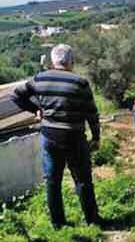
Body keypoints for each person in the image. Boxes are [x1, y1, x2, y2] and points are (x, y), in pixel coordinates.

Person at [11, 44, 102, 229]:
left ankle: (58, 224)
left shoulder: (39, 79)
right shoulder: (80, 83)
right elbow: (92, 114)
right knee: (83, 180)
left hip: (50, 137)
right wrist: (96, 137)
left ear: (53, 61)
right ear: (71, 61)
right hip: (75, 138)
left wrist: (35, 109)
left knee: (52, 181)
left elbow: (16, 96)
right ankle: (92, 220)